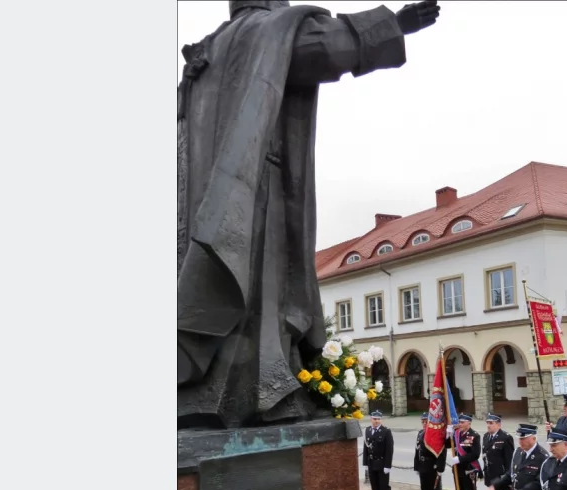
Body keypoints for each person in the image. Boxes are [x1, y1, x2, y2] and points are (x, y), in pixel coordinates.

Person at [177, 0, 441, 428]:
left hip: (205, 198)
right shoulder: (263, 32)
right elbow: (323, 46)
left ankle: (204, 392)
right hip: (252, 187)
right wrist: (395, 23)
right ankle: (262, 394)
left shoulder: (210, 49)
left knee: (227, 284)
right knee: (262, 288)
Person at [482, 413, 515, 490]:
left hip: (502, 478)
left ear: (498, 424)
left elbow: (509, 461)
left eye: (491, 423)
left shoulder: (506, 438)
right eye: (487, 423)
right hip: (491, 477)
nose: (488, 425)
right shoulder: (486, 437)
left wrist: (507, 479)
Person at [448, 413, 482, 490]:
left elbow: (475, 454)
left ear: (469, 423)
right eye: (460, 422)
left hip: (469, 469)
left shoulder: (474, 435)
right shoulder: (456, 434)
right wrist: (447, 435)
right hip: (457, 469)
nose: (460, 424)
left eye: (463, 422)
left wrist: (460, 459)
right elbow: (449, 445)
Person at [414, 412, 446, 490]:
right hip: (423, 466)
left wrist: (440, 468)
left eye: (426, 421)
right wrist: (416, 466)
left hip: (433, 466)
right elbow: (417, 451)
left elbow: (442, 452)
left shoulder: (436, 434)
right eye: (422, 421)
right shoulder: (420, 433)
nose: (424, 423)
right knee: (425, 489)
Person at [362, 410, 394, 490]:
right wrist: (365, 463)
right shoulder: (367, 430)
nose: (377, 421)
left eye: (378, 419)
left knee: (384, 487)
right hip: (371, 463)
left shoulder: (386, 431)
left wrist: (387, 466)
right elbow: (366, 448)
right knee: (374, 486)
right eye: (375, 419)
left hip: (382, 464)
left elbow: (389, 450)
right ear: (371, 419)